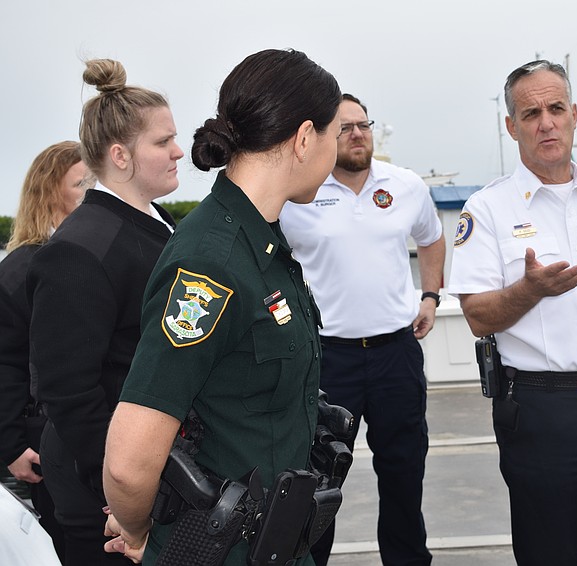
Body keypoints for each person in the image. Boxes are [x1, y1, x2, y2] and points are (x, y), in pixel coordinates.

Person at [101, 48, 341, 566]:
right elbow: (128, 462)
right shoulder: (212, 264)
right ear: (304, 138)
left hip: (274, 545)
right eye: (333, 134)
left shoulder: (263, 245)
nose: (336, 151)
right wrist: (144, 538)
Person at [446, 60, 577, 566]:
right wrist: (530, 290)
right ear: (511, 127)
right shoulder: (487, 209)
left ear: (574, 114)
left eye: (556, 108)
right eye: (531, 112)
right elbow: (478, 316)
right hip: (542, 413)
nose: (546, 122)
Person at [27, 59, 182, 566]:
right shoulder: (80, 248)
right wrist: (121, 500)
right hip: (104, 494)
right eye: (162, 142)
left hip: (147, 473)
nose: (179, 151)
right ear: (120, 155)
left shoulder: (153, 227)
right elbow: (66, 391)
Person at [281, 93, 444, 566]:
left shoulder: (406, 185)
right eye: (345, 127)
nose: (356, 134)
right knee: (319, 482)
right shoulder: (299, 192)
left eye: (363, 124)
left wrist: (430, 296)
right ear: (324, 137)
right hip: (327, 359)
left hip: (397, 353)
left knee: (404, 472)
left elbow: (432, 238)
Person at [0, 140, 91, 561]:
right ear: (49, 193)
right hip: (44, 442)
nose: (93, 192)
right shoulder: (22, 269)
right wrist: (12, 445)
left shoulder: (87, 256)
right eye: (81, 184)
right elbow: (4, 362)